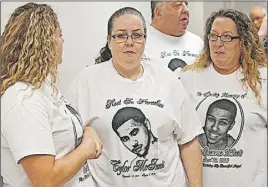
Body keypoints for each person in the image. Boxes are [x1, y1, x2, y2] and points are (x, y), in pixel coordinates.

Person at [65, 6, 203, 187]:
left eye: (137, 35)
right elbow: (66, 138)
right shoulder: (86, 82)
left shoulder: (167, 80)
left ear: (145, 41)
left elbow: (189, 141)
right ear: (108, 40)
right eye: (121, 35)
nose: (129, 42)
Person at [0, 3, 102, 187]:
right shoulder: (22, 99)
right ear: (44, 42)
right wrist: (86, 147)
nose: (63, 41)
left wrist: (86, 131)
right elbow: (45, 179)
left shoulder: (43, 89)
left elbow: (60, 135)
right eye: (59, 35)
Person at [181, 9, 267, 187]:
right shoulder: (188, 78)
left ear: (242, 42)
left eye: (227, 37)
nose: (218, 43)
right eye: (213, 36)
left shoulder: (262, 79)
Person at [142, 1, 203, 78]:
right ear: (159, 13)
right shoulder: (140, 42)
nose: (186, 10)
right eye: (178, 5)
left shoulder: (198, 43)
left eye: (186, 4)